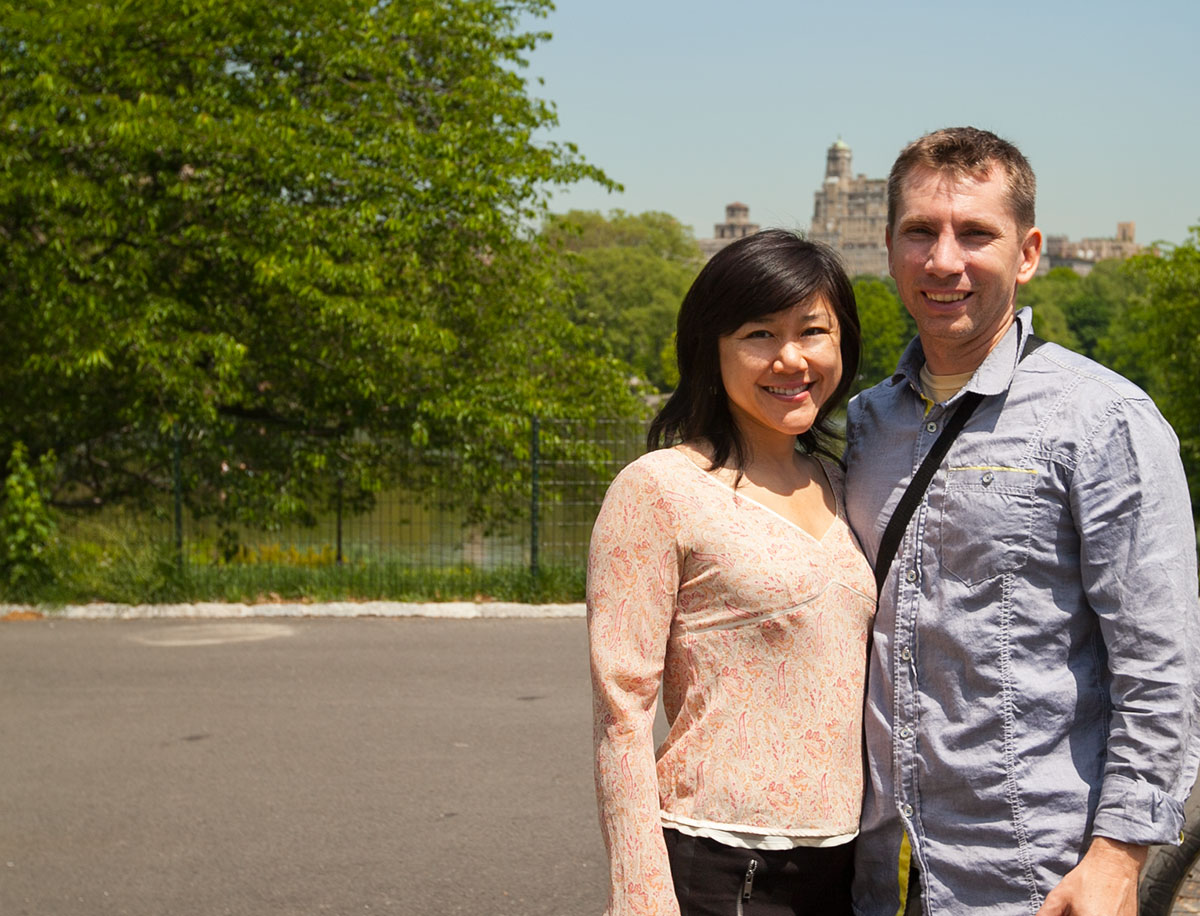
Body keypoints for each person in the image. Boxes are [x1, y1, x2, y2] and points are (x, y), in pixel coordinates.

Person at [844, 126, 1200, 916]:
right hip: (875, 871)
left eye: (976, 233)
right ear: (889, 249)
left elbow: (1160, 663)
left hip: (1034, 873)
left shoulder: (1103, 419)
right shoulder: (865, 424)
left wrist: (1121, 855)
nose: (944, 261)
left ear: (1028, 252)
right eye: (920, 232)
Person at [588, 229, 874, 915]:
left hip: (846, 864)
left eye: (813, 331)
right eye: (758, 334)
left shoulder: (847, 482)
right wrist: (641, 895)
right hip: (722, 861)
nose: (790, 358)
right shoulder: (660, 489)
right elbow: (620, 714)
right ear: (710, 352)